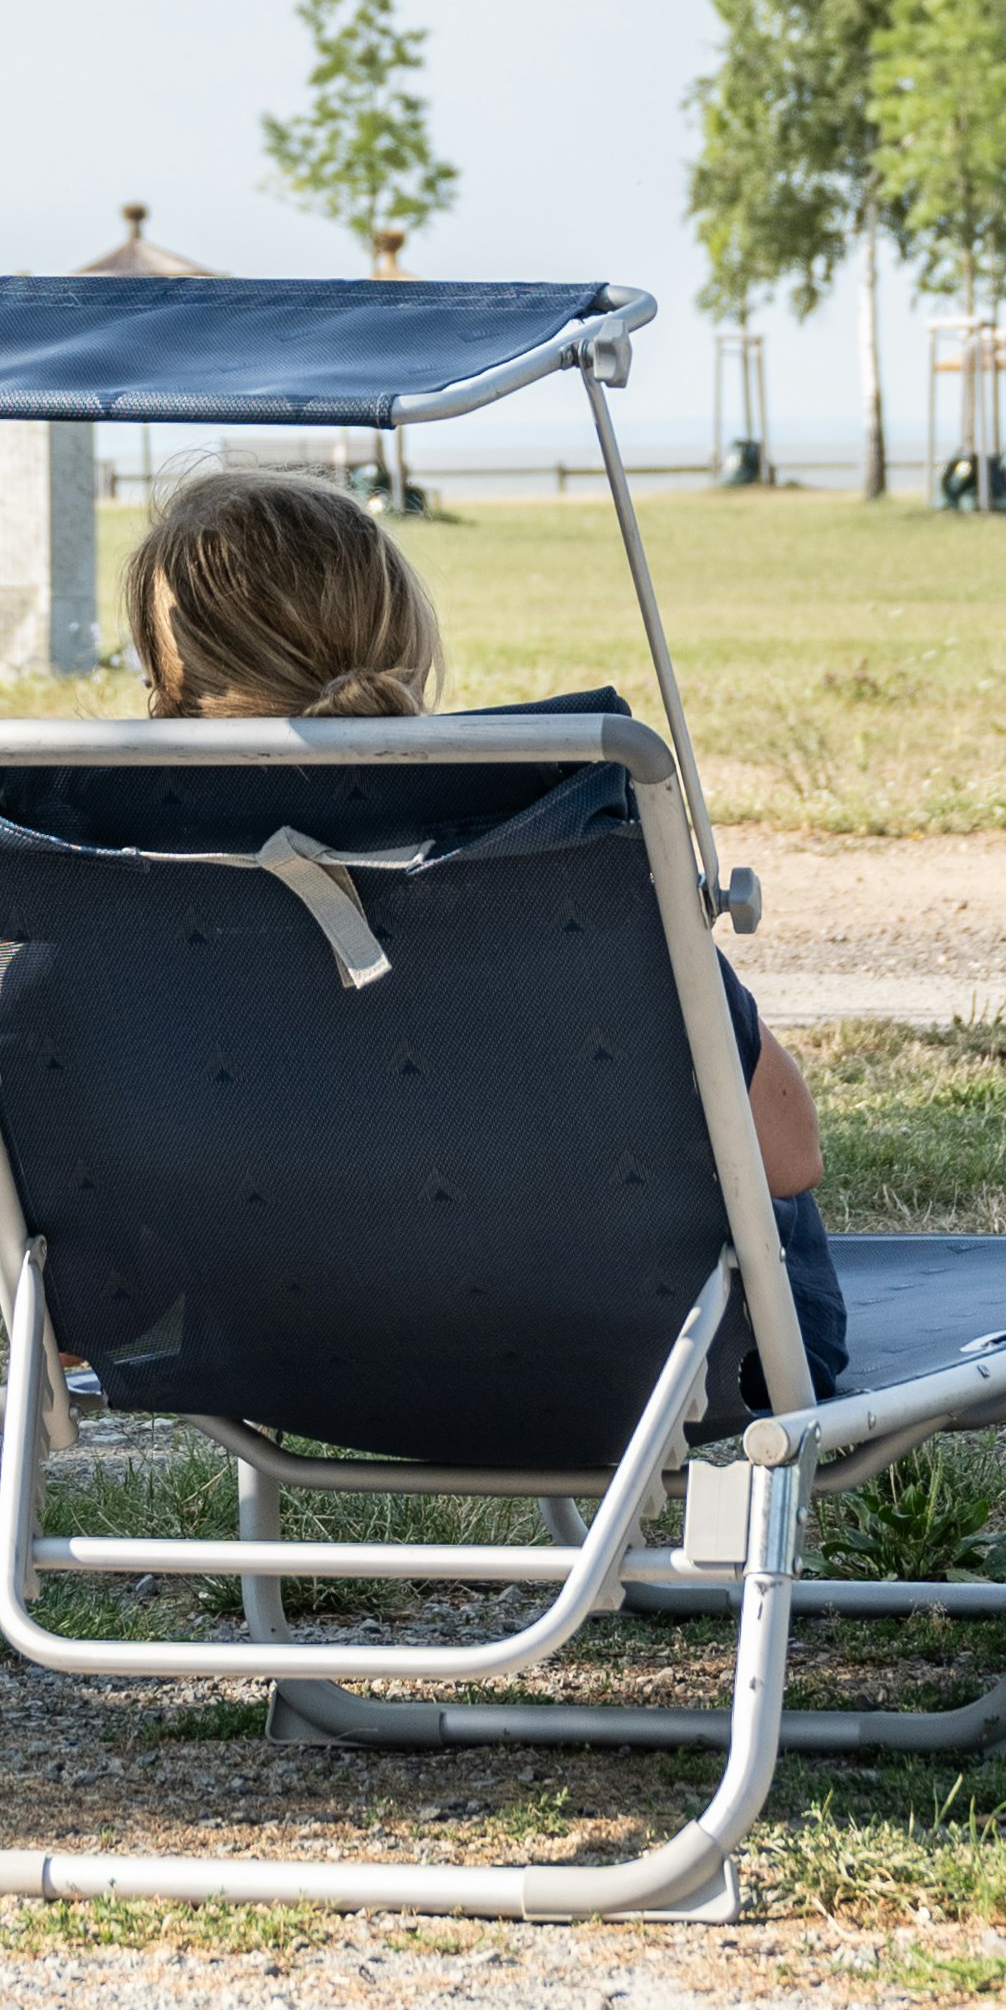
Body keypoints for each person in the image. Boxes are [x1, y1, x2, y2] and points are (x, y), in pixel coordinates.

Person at [120, 464, 847, 1395]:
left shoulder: (130, 903)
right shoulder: (555, 854)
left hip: (299, 1364)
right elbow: (787, 1157)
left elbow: (84, 1310)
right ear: (407, 647)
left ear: (165, 694)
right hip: (670, 1363)